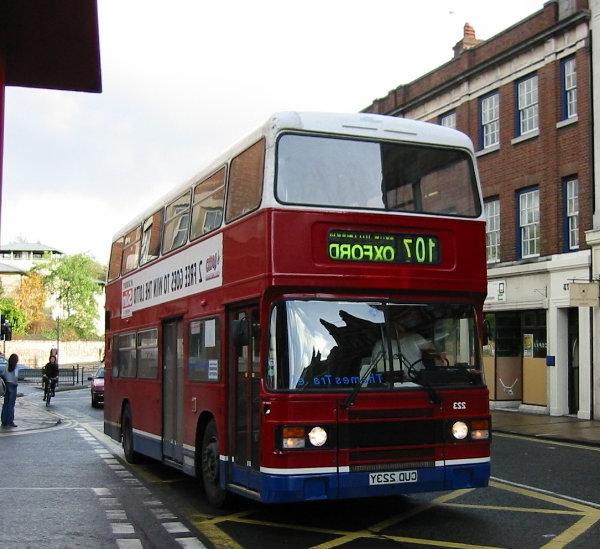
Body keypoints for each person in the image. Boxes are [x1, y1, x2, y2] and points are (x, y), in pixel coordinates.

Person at [1, 353, 19, 428]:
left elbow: (3, 374)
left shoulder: (6, 366)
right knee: (11, 405)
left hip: (6, 385)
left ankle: (4, 421)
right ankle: (10, 421)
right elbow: (16, 376)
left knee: (6, 404)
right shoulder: (16, 367)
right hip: (13, 385)